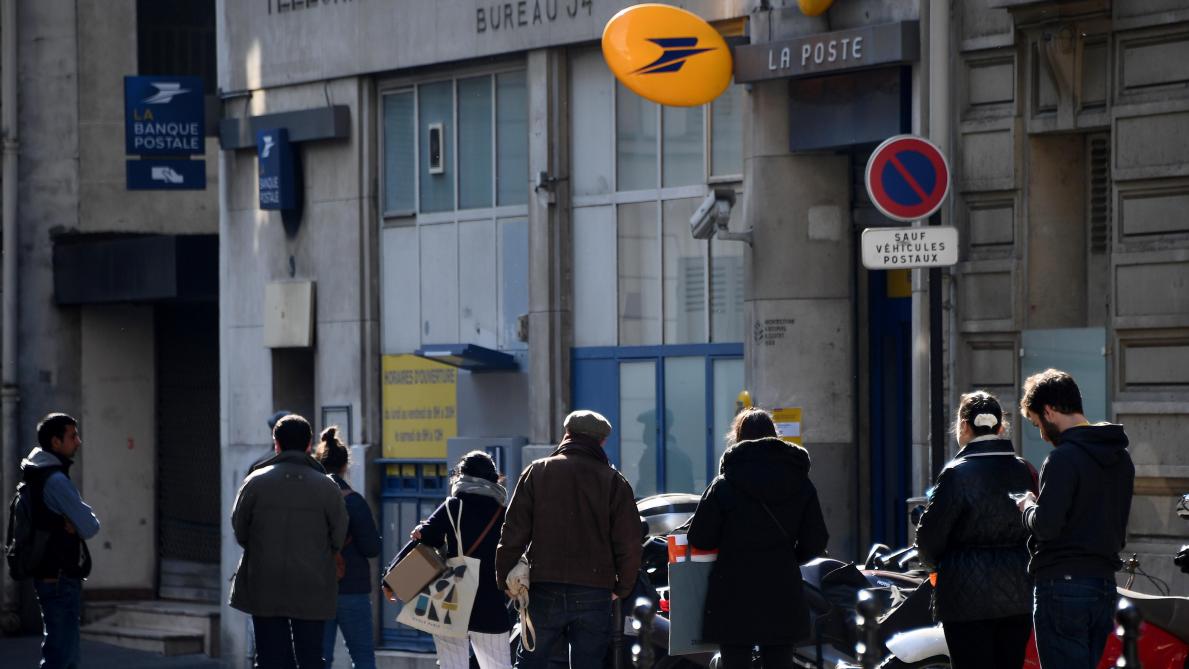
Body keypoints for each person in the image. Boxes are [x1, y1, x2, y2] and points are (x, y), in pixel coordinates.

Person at [496, 410, 642, 669]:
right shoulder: (614, 482)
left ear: (567, 434)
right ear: (602, 442)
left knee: (530, 661)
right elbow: (629, 543)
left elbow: (513, 531)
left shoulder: (537, 472)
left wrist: (505, 577)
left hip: (544, 586)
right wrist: (622, 587)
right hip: (595, 589)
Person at [687, 408, 828, 669]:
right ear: (774, 436)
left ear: (739, 438)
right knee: (779, 661)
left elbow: (700, 538)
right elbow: (817, 540)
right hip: (781, 586)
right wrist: (789, 556)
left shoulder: (724, 484)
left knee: (735, 661)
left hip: (733, 590)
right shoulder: (800, 482)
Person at [1015, 369, 1134, 669]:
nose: (1041, 434)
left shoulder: (1062, 459)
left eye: (1037, 423)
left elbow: (1047, 525)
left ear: (1049, 411)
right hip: (1103, 585)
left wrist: (1028, 507)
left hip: (1061, 585)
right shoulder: (1120, 458)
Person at [914, 391, 1036, 669]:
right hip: (1018, 593)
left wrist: (937, 566)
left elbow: (929, 541)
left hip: (964, 597)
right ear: (1000, 427)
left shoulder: (957, 474)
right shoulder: (1024, 470)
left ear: (964, 426)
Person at [230, 414, 349, 669]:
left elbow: (240, 531)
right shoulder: (327, 487)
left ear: (276, 443)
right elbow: (338, 535)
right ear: (309, 445)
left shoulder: (255, 482)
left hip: (264, 582)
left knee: (270, 657)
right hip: (313, 583)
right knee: (310, 657)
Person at [410, 450, 511, 669]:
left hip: (451, 601)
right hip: (490, 605)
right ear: (494, 479)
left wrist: (422, 530)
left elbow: (427, 536)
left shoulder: (452, 506)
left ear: (461, 476)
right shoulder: (503, 512)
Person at [21, 413, 101, 669]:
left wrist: (73, 520)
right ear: (56, 442)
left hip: (49, 577)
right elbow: (90, 526)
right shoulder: (55, 480)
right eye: (72, 436)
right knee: (64, 658)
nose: (78, 441)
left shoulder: (37, 473)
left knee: (57, 653)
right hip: (60, 580)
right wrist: (75, 520)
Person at [313, 426, 381, 669]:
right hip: (353, 587)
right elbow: (372, 547)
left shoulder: (310, 501)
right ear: (345, 465)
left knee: (319, 659)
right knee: (363, 659)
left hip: (317, 590)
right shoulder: (354, 501)